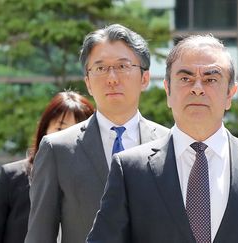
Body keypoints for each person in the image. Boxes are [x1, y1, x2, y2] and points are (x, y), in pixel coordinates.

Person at [86, 35, 238, 243]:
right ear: (167, 90)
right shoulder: (130, 169)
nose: (197, 88)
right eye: (186, 79)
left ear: (230, 93)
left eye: (211, 79)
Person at [24, 24, 169, 243]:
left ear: (145, 78)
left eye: (123, 66)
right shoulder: (57, 150)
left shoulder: (170, 144)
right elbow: (39, 236)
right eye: (101, 68)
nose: (112, 78)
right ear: (88, 83)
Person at [0, 91, 94, 243]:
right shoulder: (12, 177)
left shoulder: (101, 180)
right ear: (44, 130)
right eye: (60, 129)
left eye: (77, 131)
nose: (67, 138)